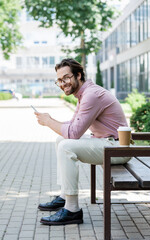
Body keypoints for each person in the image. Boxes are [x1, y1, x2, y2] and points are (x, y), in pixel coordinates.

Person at [34, 58, 130, 226]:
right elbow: (72, 126)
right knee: (61, 139)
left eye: (66, 78)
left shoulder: (91, 95)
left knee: (66, 146)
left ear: (78, 75)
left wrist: (49, 122)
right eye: (59, 80)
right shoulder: (84, 94)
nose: (63, 83)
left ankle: (72, 210)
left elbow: (74, 132)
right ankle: (65, 196)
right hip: (107, 144)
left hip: (117, 148)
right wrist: (50, 119)